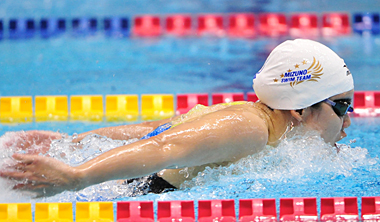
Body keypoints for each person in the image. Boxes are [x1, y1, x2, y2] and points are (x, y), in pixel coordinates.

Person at [0, 39, 354, 197]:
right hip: (125, 191)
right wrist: (76, 175)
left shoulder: (255, 120)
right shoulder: (250, 128)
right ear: (300, 108)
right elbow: (163, 144)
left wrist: (72, 144)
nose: (348, 121)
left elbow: (160, 128)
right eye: (341, 107)